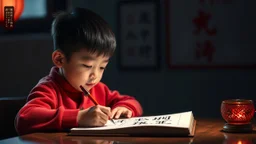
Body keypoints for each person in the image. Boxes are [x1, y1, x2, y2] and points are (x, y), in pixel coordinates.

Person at [15, 7, 143, 135]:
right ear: (59, 59)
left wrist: (125, 108)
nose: (95, 75)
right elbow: (24, 118)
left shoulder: (99, 89)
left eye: (102, 67)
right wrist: (79, 117)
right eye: (87, 66)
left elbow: (132, 102)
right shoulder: (49, 89)